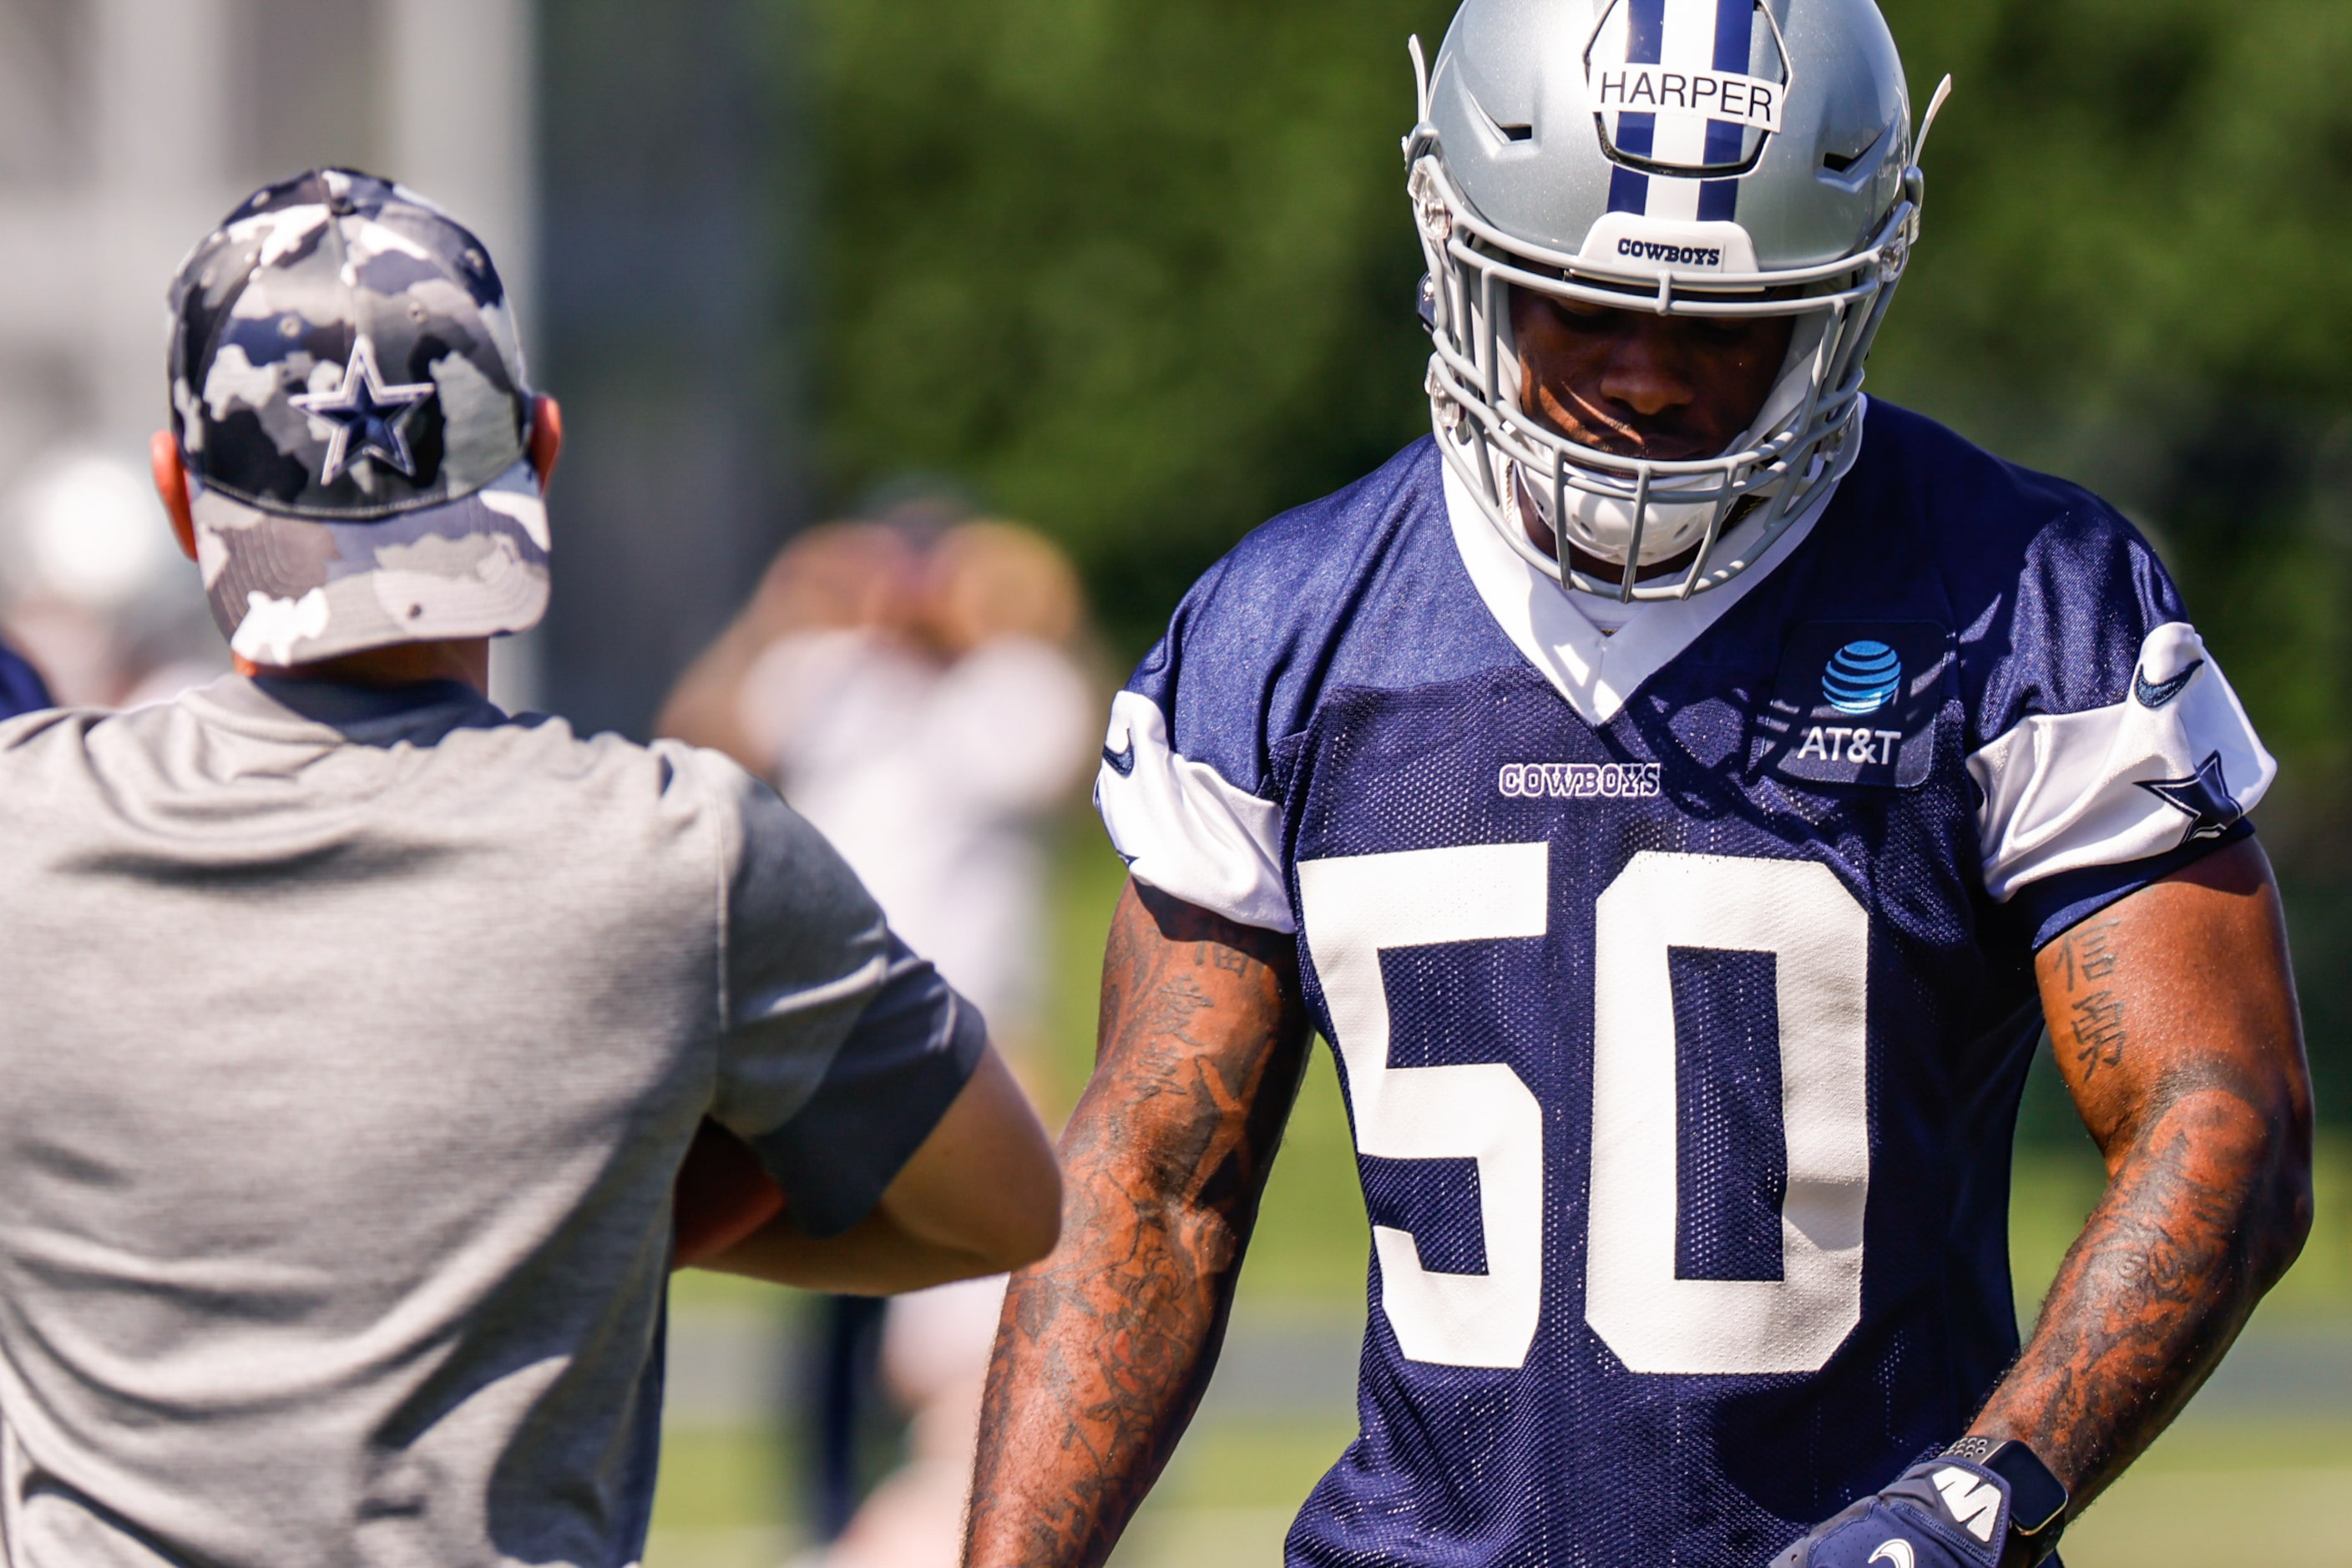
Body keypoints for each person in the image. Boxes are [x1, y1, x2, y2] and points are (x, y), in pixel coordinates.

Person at [962, 2, 2314, 1565]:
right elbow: (1154, 1179)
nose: (1648, 380)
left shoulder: (2015, 603)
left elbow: (2220, 1118)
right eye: (1577, 305)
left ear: (1849, 294)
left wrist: (1974, 1498)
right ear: (1457, 248)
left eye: (1724, 325)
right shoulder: (1291, 630)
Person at [0, 167, 1060, 1568]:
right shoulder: (688, 855)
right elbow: (1002, 1201)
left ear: (180, 499)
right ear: (540, 454)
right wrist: (572, 1229)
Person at [662, 510, 1097, 1565]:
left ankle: (979, 1506)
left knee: (978, 1298)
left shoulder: (1005, 689)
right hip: (813, 1033)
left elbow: (1090, 755)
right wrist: (779, 611)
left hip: (968, 1041)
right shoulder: (828, 672)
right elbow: (696, 740)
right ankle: (836, 1514)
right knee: (825, 1288)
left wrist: (1027, 609)